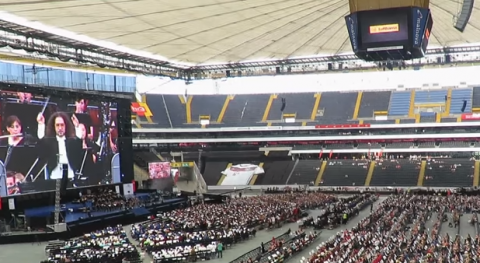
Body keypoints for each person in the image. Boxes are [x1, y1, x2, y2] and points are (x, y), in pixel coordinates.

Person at [36, 112, 84, 180]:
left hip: (70, 175)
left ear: (65, 126)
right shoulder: (50, 142)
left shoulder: (71, 142)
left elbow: (78, 149)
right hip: (55, 175)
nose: (60, 128)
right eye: (57, 125)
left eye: (62, 125)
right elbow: (42, 147)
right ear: (54, 126)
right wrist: (41, 125)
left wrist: (77, 126)